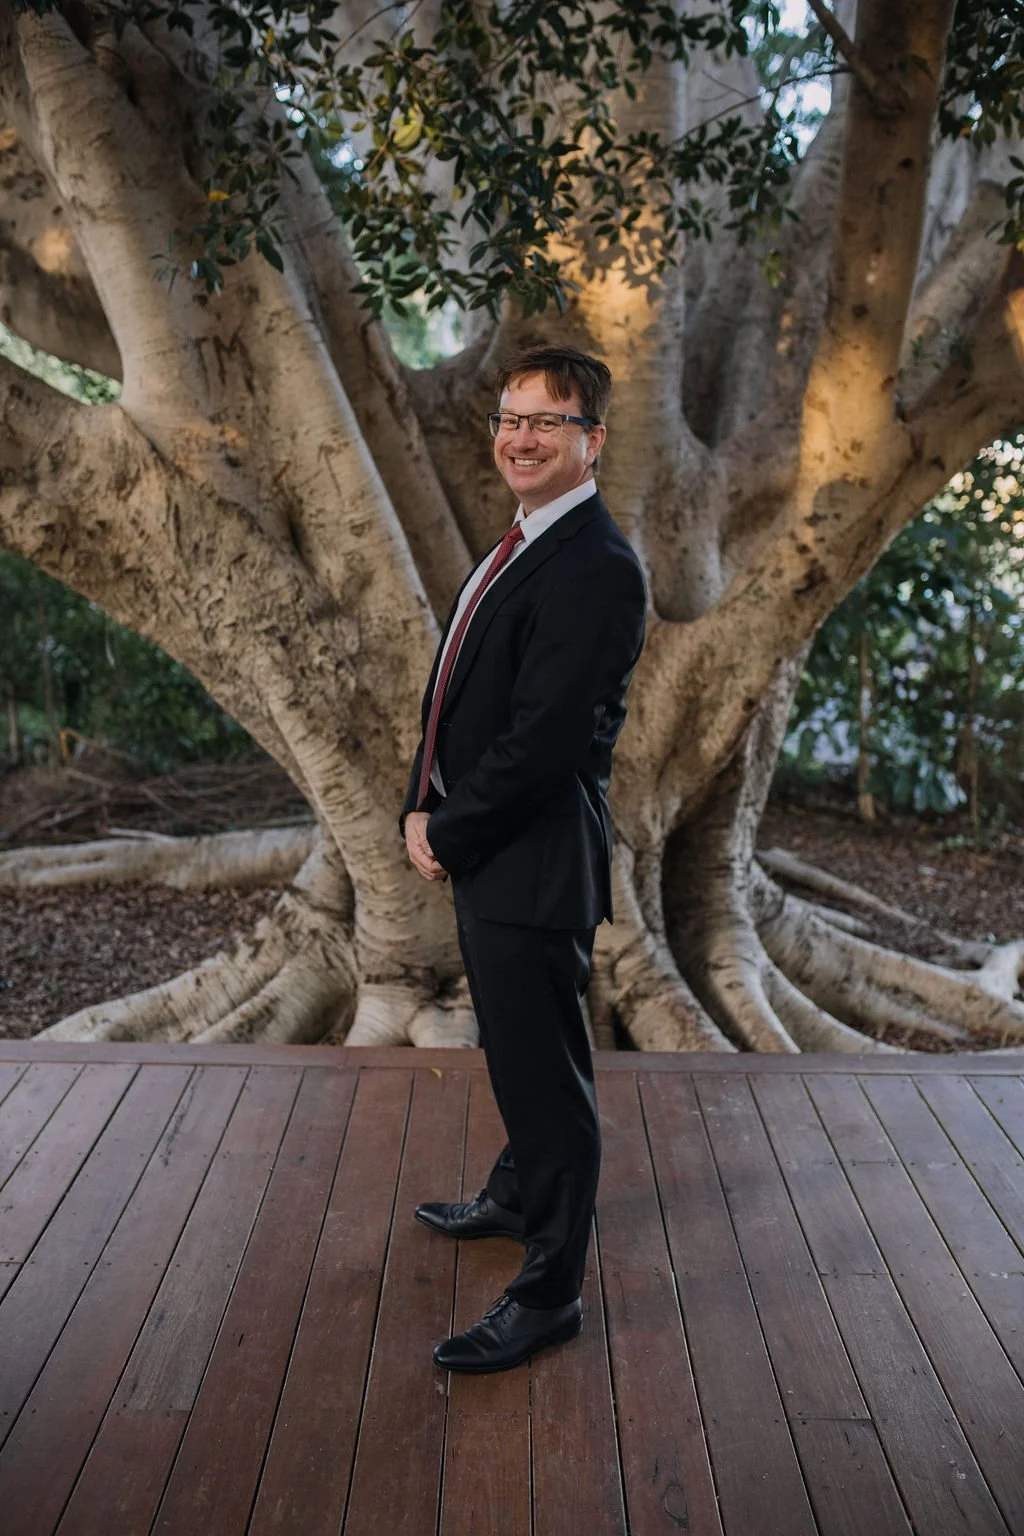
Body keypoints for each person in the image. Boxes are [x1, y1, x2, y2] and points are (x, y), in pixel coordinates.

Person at [400, 343, 647, 1374]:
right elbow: (456, 690)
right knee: (513, 1048)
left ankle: (550, 1293)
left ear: (594, 441)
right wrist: (419, 801)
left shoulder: (596, 566)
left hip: (533, 859)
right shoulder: (521, 541)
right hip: (490, 849)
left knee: (549, 1081)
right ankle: (515, 1194)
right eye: (510, 417)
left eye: (548, 421)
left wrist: (447, 832)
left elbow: (543, 744)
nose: (521, 437)